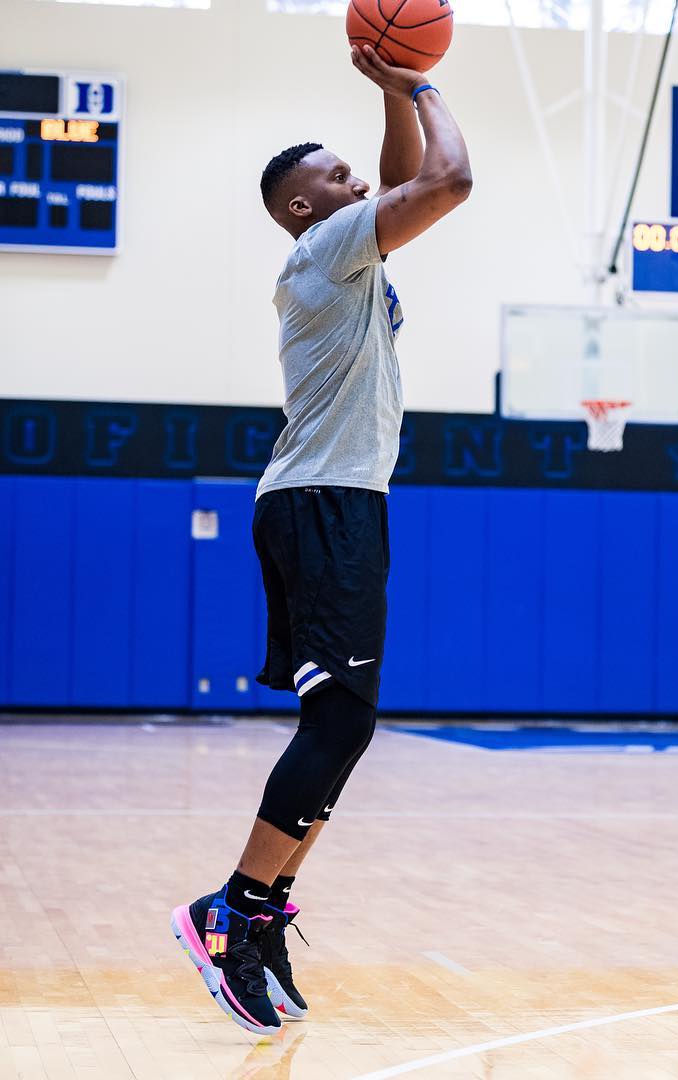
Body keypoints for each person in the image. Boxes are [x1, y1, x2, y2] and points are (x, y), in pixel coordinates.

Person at [171, 44, 471, 1035]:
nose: (359, 183)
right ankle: (231, 912)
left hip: (340, 503)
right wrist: (422, 85)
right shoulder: (326, 246)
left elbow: (400, 181)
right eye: (338, 176)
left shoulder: (342, 246)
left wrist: (388, 97)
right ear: (305, 208)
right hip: (320, 503)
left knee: (346, 725)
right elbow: (447, 181)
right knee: (338, 723)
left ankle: (260, 915)